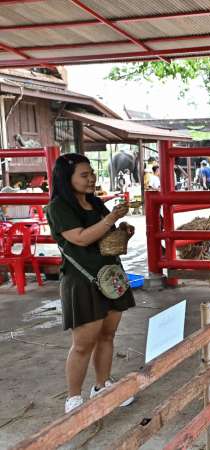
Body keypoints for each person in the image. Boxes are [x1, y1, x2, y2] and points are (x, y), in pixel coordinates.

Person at [45, 154, 136, 414]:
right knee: (83, 343)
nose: (91, 178)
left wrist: (122, 231)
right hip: (83, 279)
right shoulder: (58, 207)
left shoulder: (95, 203)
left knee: (108, 335)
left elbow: (106, 235)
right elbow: (81, 238)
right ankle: (73, 397)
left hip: (111, 275)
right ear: (67, 178)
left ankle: (102, 385)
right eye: (84, 175)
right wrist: (109, 221)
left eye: (92, 173)